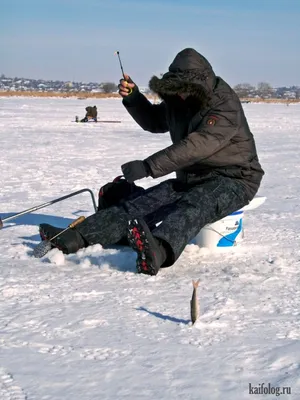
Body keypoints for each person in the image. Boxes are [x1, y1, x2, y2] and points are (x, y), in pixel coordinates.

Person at [39, 48, 264, 275]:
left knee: (195, 205)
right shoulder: (179, 99)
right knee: (143, 203)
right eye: (178, 91)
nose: (181, 97)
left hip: (235, 178)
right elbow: (155, 121)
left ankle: (158, 250)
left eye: (185, 91)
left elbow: (199, 145)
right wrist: (134, 98)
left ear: (199, 85)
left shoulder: (223, 104)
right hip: (192, 177)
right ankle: (76, 237)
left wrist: (148, 166)